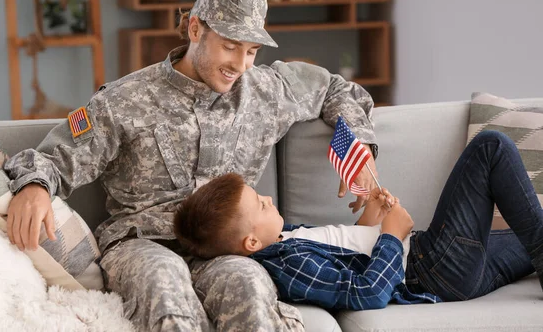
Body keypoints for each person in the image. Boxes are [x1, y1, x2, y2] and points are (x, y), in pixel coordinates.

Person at [3, 0, 380, 331]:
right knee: (164, 283)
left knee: (249, 284)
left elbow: (335, 89)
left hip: (225, 248)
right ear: (195, 29)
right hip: (143, 244)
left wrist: (356, 145)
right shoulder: (124, 100)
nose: (240, 64)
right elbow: (55, 158)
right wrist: (35, 185)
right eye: (230, 46)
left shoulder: (266, 90)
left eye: (251, 51)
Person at [174, 130, 543, 310]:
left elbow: (351, 251)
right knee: (491, 147)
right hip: (433, 267)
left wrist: (374, 215)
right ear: (251, 243)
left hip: (449, 269)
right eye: (261, 204)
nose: (269, 199)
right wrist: (393, 237)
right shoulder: (287, 266)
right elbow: (367, 293)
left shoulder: (285, 238)